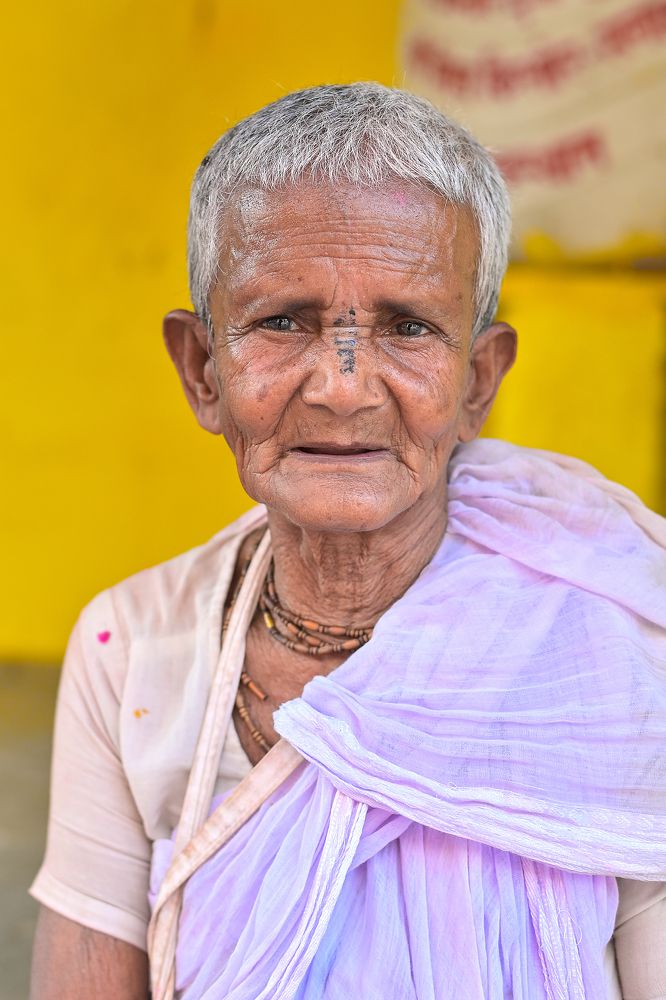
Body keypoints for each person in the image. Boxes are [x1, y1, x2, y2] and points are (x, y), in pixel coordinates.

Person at [30, 84, 666, 999]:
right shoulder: (130, 648)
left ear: (478, 383)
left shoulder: (616, 648)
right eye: (282, 320)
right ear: (202, 369)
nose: (342, 387)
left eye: (408, 328)